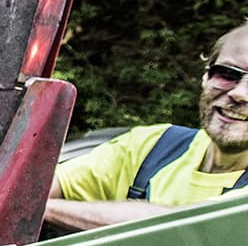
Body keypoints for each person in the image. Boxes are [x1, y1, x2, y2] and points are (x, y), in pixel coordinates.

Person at [46, 21, 248, 230]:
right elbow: (35, 190)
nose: (239, 93)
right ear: (206, 77)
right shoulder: (153, 147)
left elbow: (182, 228)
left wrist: (47, 210)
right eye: (228, 74)